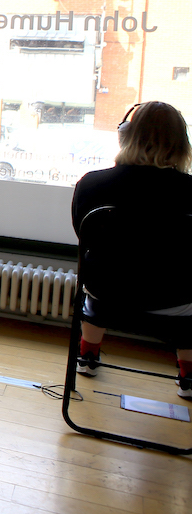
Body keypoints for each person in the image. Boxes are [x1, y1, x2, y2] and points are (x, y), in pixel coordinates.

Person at [70, 101, 192, 399]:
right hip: (175, 303)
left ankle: (87, 356)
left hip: (107, 295)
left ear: (124, 136)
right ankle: (188, 376)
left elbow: (84, 237)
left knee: (96, 273)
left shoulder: (91, 184)